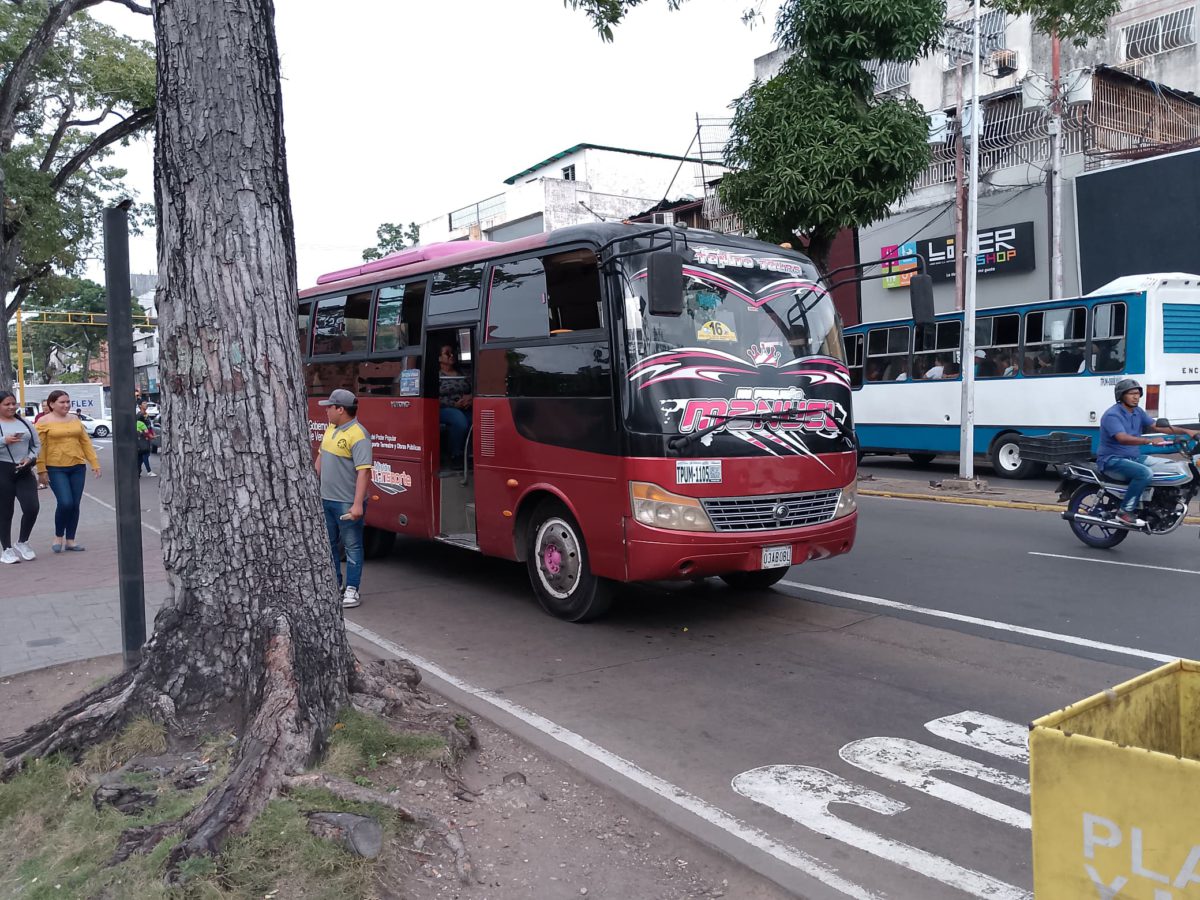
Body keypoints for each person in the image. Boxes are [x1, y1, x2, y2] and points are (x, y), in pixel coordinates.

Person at [1096, 379, 1198, 527]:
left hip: (1134, 457)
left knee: (1172, 466)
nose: (1136, 397)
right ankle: (1125, 511)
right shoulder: (1112, 415)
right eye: (1131, 394)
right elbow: (1122, 438)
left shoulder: (1137, 412)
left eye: (1137, 393)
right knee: (1144, 473)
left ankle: (1158, 503)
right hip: (1112, 460)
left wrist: (1186, 431)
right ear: (1121, 395)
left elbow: (1157, 426)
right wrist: (1148, 441)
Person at [315, 388, 372, 609]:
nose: (326, 411)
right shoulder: (331, 428)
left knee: (352, 546)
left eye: (330, 407)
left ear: (341, 409)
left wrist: (357, 504)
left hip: (346, 502)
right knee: (328, 544)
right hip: (325, 498)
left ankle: (352, 589)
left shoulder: (359, 434)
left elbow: (364, 472)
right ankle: (334, 584)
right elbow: (321, 457)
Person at [35, 389, 100, 552]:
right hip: (56, 467)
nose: (66, 405)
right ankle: (58, 535)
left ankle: (71, 539)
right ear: (51, 404)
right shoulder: (43, 422)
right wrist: (41, 470)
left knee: (75, 504)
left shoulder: (75, 419)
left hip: (77, 466)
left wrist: (94, 463)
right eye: (62, 402)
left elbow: (85, 441)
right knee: (65, 502)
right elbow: (39, 447)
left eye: (67, 402)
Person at [0, 391, 40, 564]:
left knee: (32, 507)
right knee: (5, 511)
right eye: (7, 404)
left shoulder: (24, 422)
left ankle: (22, 541)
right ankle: (6, 549)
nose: (11, 407)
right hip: (3, 469)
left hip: (24, 469)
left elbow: (37, 444)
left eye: (13, 403)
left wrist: (30, 458)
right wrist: (4, 441)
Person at [438, 343, 471, 463]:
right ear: (439, 358)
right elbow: (433, 397)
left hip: (465, 407)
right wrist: (454, 404)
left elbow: (473, 388)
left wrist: (469, 398)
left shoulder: (462, 373)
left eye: (453, 353)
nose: (451, 355)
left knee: (477, 419)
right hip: (443, 408)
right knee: (459, 420)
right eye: (447, 353)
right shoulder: (437, 375)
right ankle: (455, 454)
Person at [136, 402, 157, 477]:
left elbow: (149, 426)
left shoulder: (146, 414)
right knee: (145, 453)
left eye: (146, 403)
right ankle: (149, 471)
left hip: (147, 436)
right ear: (140, 406)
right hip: (142, 437)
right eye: (144, 403)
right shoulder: (139, 415)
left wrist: (152, 432)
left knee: (141, 456)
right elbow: (138, 427)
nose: (146, 405)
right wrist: (146, 434)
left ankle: (137, 471)